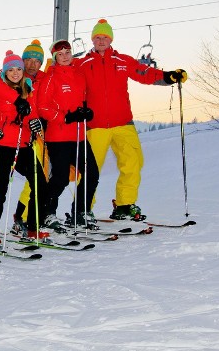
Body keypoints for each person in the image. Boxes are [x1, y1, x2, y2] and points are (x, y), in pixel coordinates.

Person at [76, 19, 187, 220]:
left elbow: (145, 73)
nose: (101, 41)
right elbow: (63, 77)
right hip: (95, 125)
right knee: (89, 170)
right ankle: (83, 210)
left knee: (133, 162)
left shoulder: (122, 61)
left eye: (105, 37)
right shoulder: (82, 64)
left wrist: (169, 77)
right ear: (93, 40)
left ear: (111, 40)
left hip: (123, 122)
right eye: (97, 37)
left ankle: (124, 205)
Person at [0, 39, 48, 239]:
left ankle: (32, 227)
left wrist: (35, 123)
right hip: (1, 146)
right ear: (4, 72)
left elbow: (33, 115)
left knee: (39, 183)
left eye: (18, 69)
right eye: (11, 69)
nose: (15, 72)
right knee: (0, 189)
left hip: (24, 145)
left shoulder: (28, 92)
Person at [37, 40, 100, 228]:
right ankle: (47, 213)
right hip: (59, 137)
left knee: (92, 174)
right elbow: (43, 108)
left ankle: (80, 211)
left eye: (67, 52)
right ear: (55, 58)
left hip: (79, 136)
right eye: (61, 54)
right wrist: (66, 117)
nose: (65, 56)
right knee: (61, 178)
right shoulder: (50, 78)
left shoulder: (79, 76)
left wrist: (86, 111)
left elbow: (82, 101)